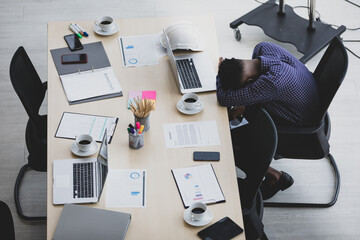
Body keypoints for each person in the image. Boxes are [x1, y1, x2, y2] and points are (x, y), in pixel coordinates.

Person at [216, 41, 320, 200]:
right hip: (307, 98)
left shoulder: (272, 81)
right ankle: (271, 174)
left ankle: (275, 177)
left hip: (298, 124)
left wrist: (219, 72)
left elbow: (224, 98)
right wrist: (245, 99)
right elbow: (256, 86)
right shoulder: (263, 48)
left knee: (228, 143)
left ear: (250, 83)